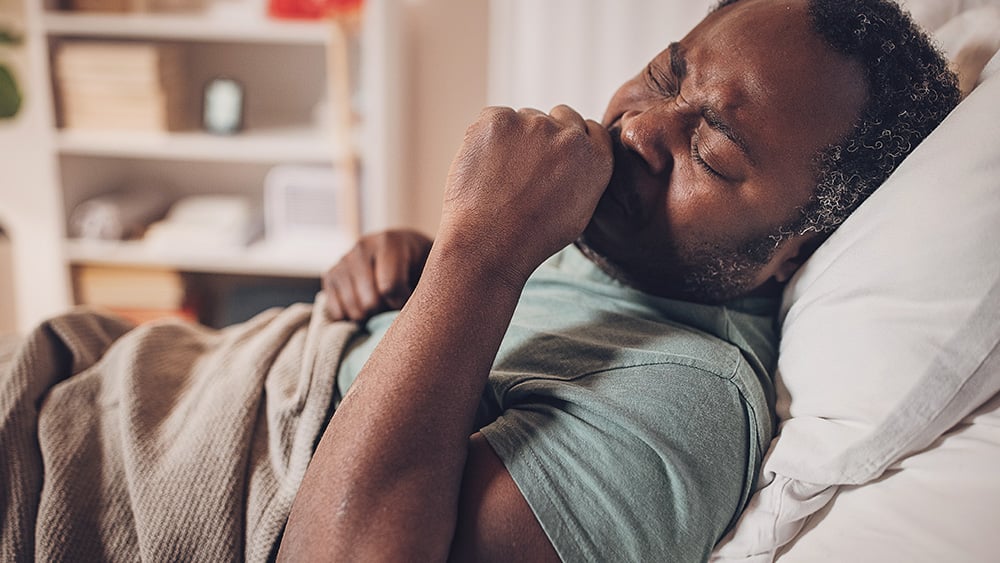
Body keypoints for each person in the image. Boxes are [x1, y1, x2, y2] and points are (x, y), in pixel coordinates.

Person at [278, 0, 959, 561]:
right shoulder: (613, 248)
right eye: (664, 75)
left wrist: (478, 255)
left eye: (713, 150)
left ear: (799, 246)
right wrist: (420, 267)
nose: (640, 126)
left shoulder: (686, 400)